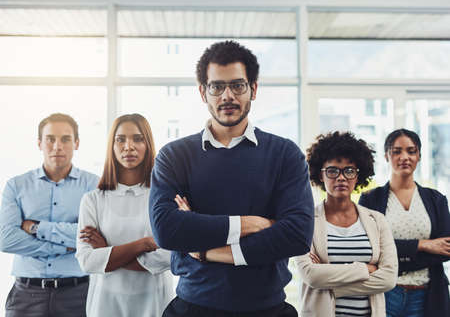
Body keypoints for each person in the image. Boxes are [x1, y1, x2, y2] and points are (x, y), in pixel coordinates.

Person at [149, 40, 314, 317]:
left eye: (238, 85)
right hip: (193, 309)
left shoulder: (285, 154)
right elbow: (167, 229)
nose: (228, 95)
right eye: (217, 86)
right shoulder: (174, 156)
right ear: (203, 92)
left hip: (267, 310)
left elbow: (297, 235)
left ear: (254, 89)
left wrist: (205, 251)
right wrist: (251, 224)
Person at [0, 113, 98, 317]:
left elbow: (95, 237)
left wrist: (37, 228)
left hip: (78, 295)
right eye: (50, 139)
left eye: (65, 139)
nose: (57, 146)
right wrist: (70, 244)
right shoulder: (16, 186)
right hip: (26, 296)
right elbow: (7, 239)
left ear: (77, 143)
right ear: (39, 143)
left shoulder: (94, 186)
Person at [76, 113, 172, 317]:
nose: (128, 146)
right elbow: (87, 261)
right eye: (120, 140)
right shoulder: (93, 200)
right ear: (112, 146)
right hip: (105, 304)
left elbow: (169, 257)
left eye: (137, 139)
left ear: (148, 144)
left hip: (154, 302)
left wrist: (108, 253)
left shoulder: (164, 197)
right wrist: (143, 244)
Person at [296, 131, 397, 317]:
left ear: (358, 176)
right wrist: (364, 269)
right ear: (321, 175)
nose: (341, 178)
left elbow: (388, 279)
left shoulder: (377, 220)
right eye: (333, 171)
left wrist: (332, 286)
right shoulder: (306, 220)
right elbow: (311, 275)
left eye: (349, 171)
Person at [359, 128, 450, 317]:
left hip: (426, 295)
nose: (404, 157)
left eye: (411, 151)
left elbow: (445, 250)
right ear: (386, 156)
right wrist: (422, 245)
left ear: (419, 156)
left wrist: (393, 259)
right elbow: (369, 248)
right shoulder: (370, 200)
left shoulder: (436, 199)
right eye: (397, 151)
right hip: (385, 293)